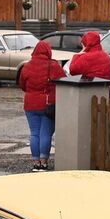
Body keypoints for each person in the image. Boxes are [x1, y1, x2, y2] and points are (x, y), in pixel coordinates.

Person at [17, 40, 66, 172]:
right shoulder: (54, 66)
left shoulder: (27, 66)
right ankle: (44, 162)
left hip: (30, 104)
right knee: (45, 134)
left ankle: (35, 162)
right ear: (48, 51)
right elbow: (64, 81)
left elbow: (22, 84)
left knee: (34, 133)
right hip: (47, 104)